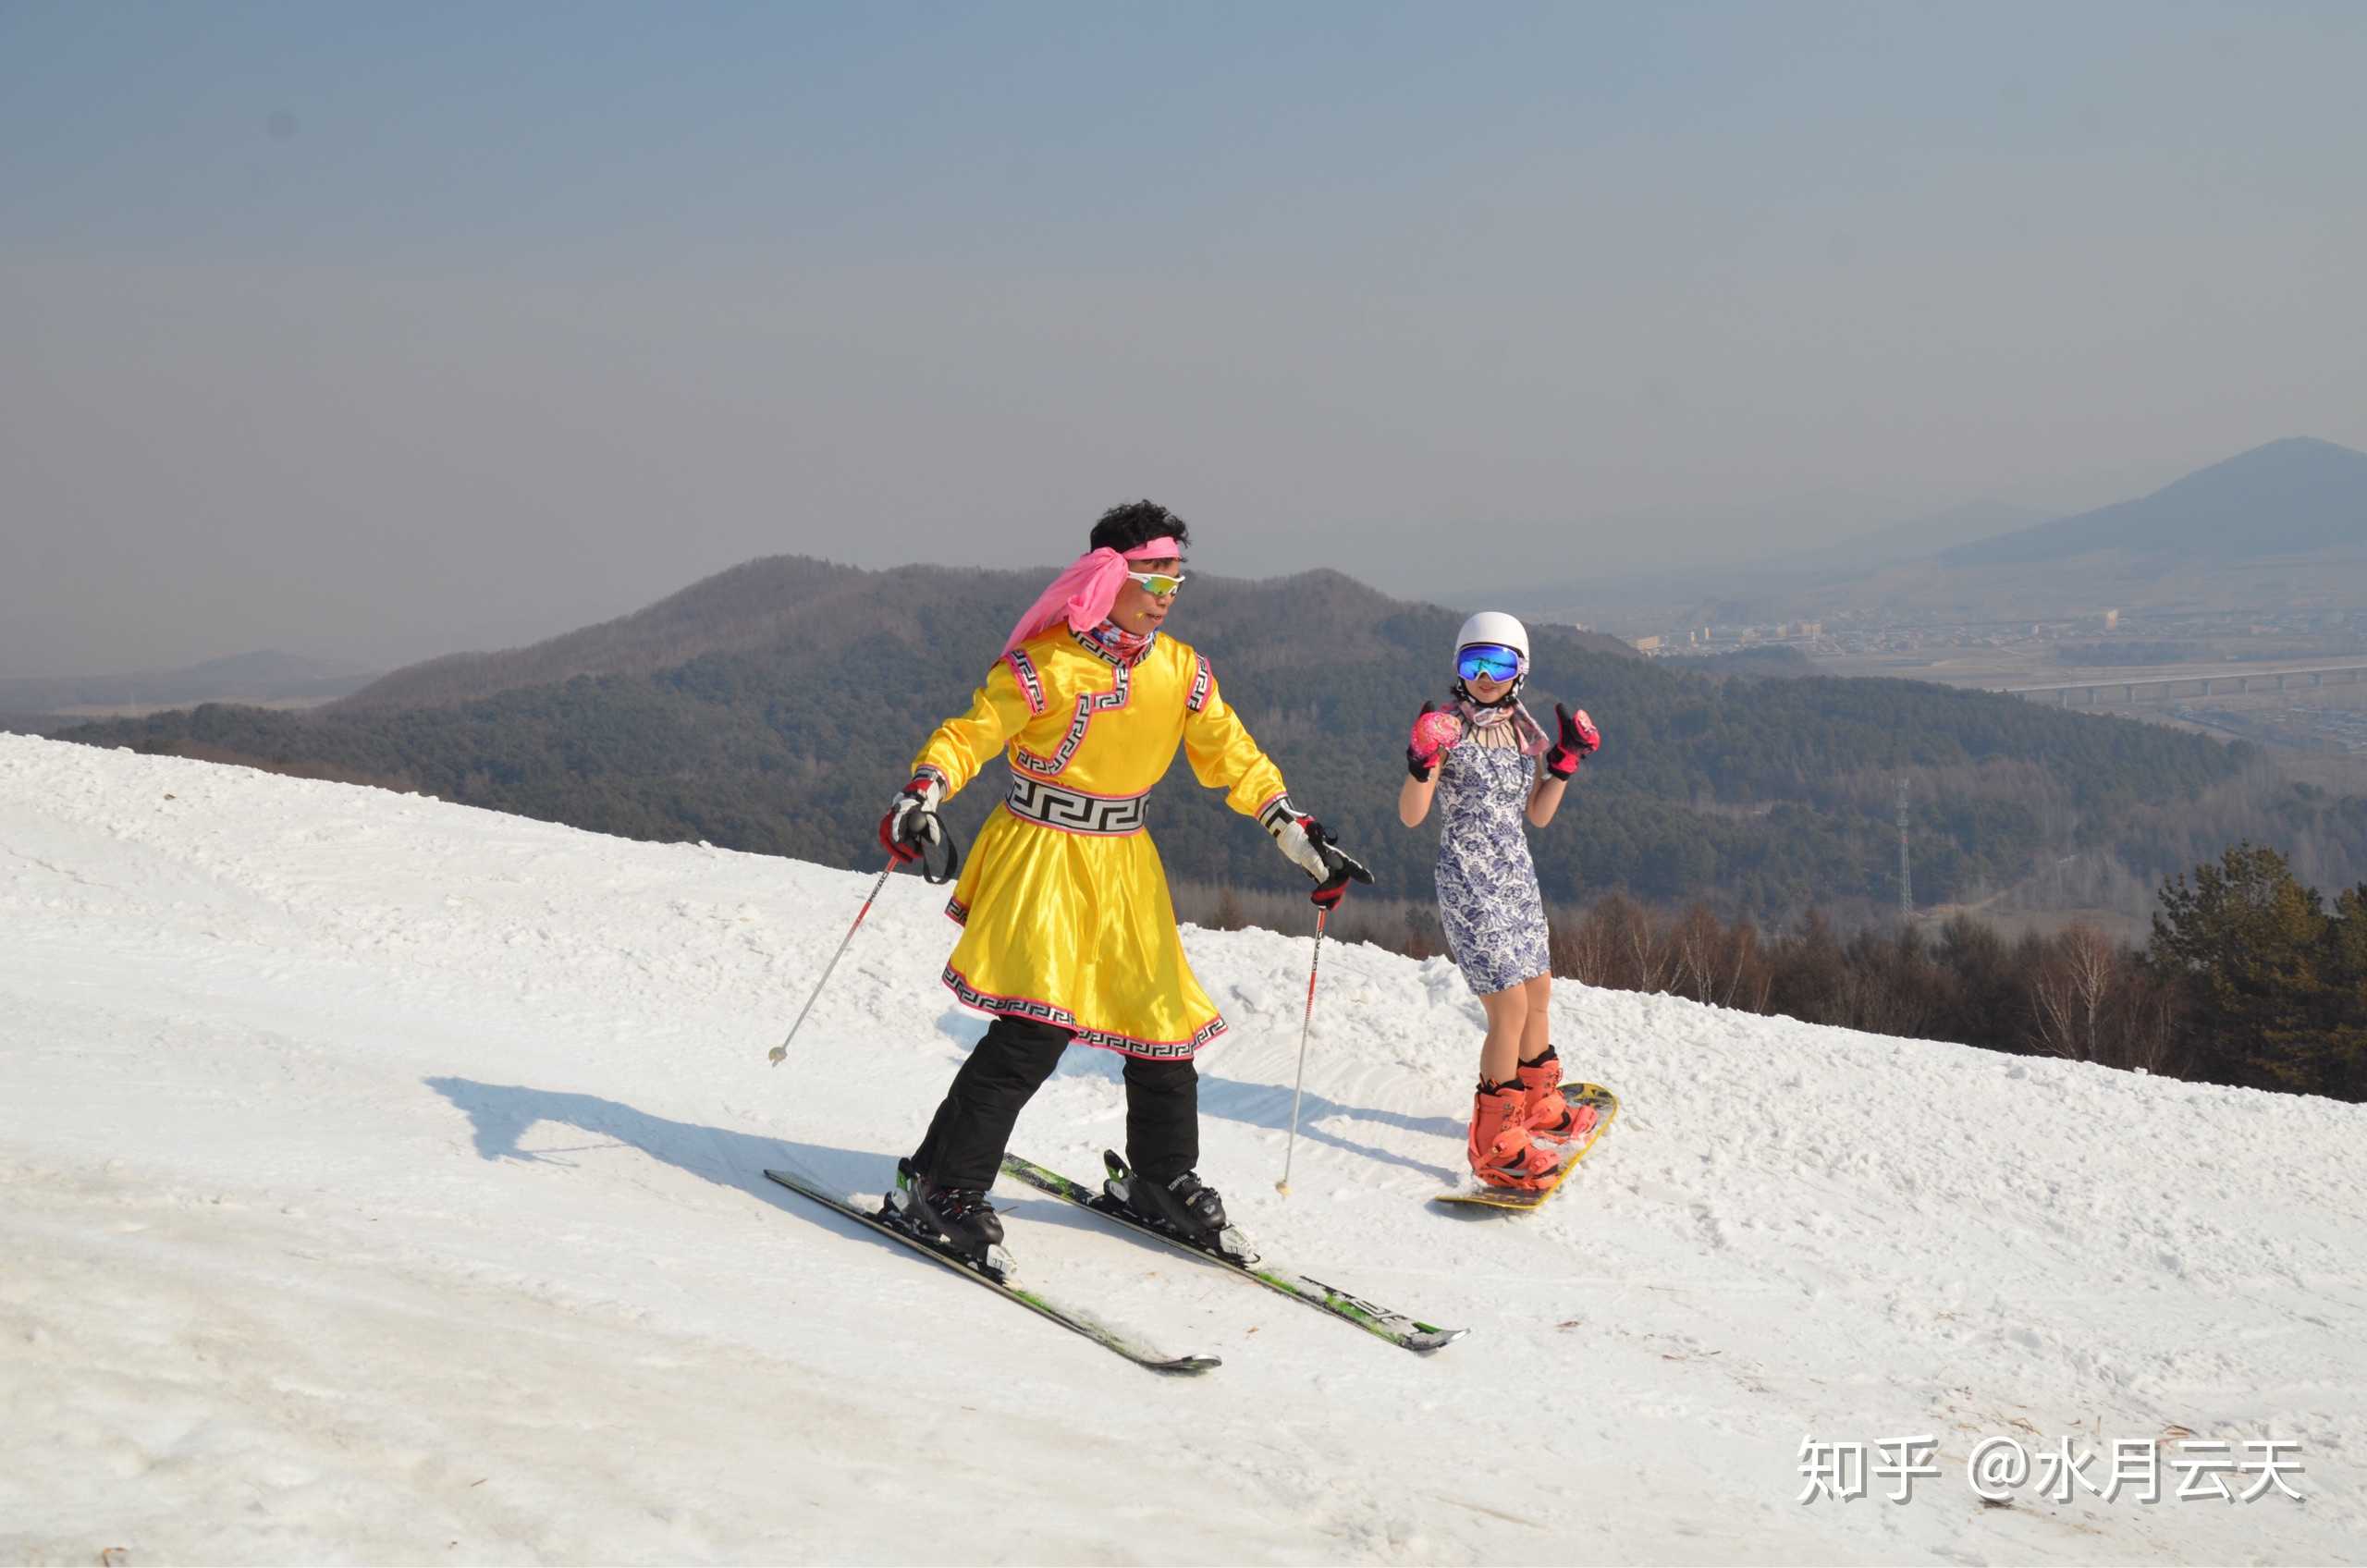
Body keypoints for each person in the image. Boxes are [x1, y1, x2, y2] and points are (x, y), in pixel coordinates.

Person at [879, 499, 1370, 1258]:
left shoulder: (1181, 671)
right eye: (1156, 576)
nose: (1169, 593)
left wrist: (1297, 836)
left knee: (1162, 1025)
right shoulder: (1047, 664)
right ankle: (946, 1184)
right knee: (1034, 1031)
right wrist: (925, 792)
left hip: (1125, 860)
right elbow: (971, 732)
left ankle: (1161, 1177)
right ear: (1108, 577)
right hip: (1042, 852)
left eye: (1178, 578)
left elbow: (1233, 757)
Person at [1399, 611, 1601, 1188]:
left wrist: (1563, 762)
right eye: (1474, 663)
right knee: (1508, 1007)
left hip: (1515, 875)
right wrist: (1420, 763)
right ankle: (1493, 1141)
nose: (1486, 675)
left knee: (1538, 990)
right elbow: (1412, 816)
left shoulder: (1520, 732)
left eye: (1500, 663)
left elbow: (1536, 814)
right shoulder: (1444, 730)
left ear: (1521, 671)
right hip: (1468, 880)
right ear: (1458, 669)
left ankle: (1537, 1106)